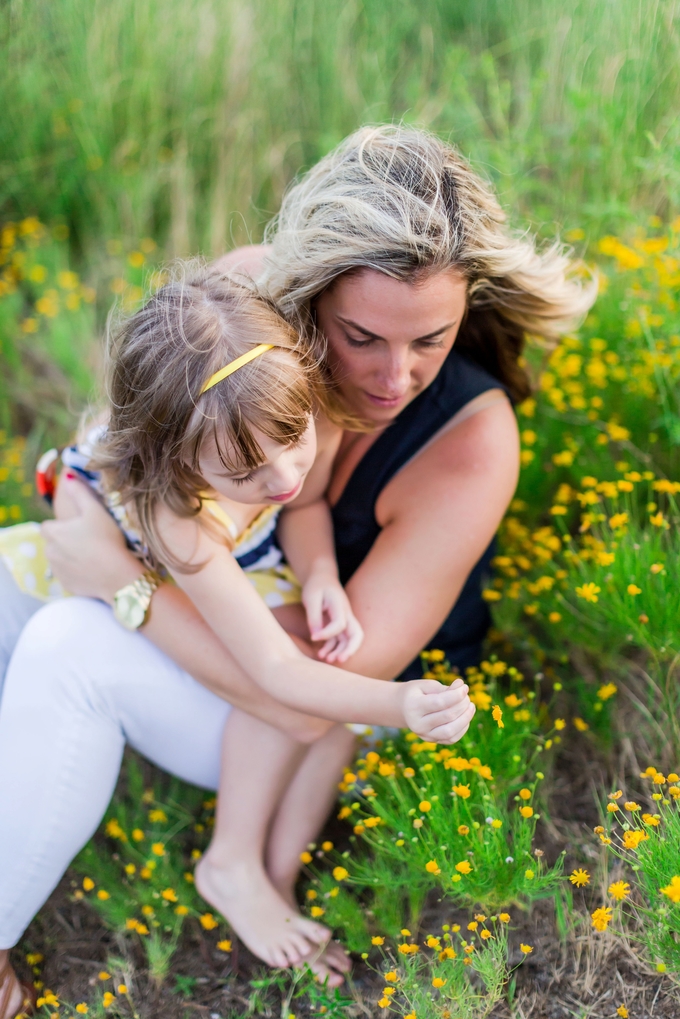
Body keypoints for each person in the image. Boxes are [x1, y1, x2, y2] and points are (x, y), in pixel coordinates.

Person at [0, 124, 595, 1017]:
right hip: (232, 618)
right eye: (361, 337)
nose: (395, 377)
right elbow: (131, 440)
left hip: (322, 706)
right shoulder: (249, 317)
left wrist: (118, 581)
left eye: (431, 339)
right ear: (308, 298)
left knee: (68, 642)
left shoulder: (471, 442)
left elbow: (299, 699)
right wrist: (88, 511)